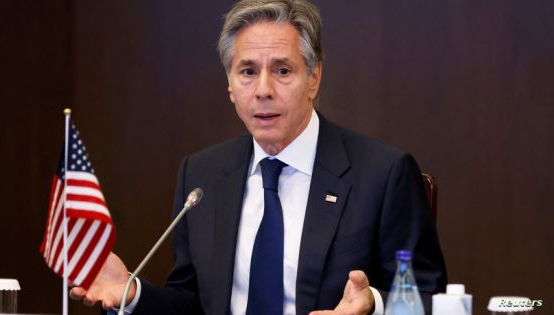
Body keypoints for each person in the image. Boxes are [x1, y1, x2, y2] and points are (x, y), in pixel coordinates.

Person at [70, 0, 447, 314]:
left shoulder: (382, 174)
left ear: (314, 77)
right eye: (248, 71)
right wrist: (132, 294)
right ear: (230, 85)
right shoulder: (202, 175)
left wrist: (374, 303)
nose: (263, 90)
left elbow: (433, 299)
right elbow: (191, 303)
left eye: (282, 70)